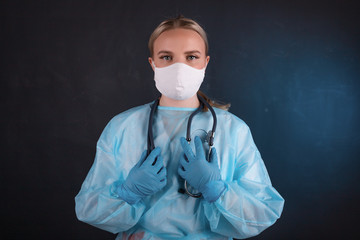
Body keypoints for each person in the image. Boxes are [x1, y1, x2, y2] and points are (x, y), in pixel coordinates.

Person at [75, 15, 284, 240]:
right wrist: (129, 193)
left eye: (191, 57)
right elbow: (88, 209)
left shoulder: (233, 130)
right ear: (152, 63)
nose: (179, 67)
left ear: (205, 62)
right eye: (166, 57)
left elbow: (263, 212)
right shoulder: (123, 127)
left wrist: (217, 190)